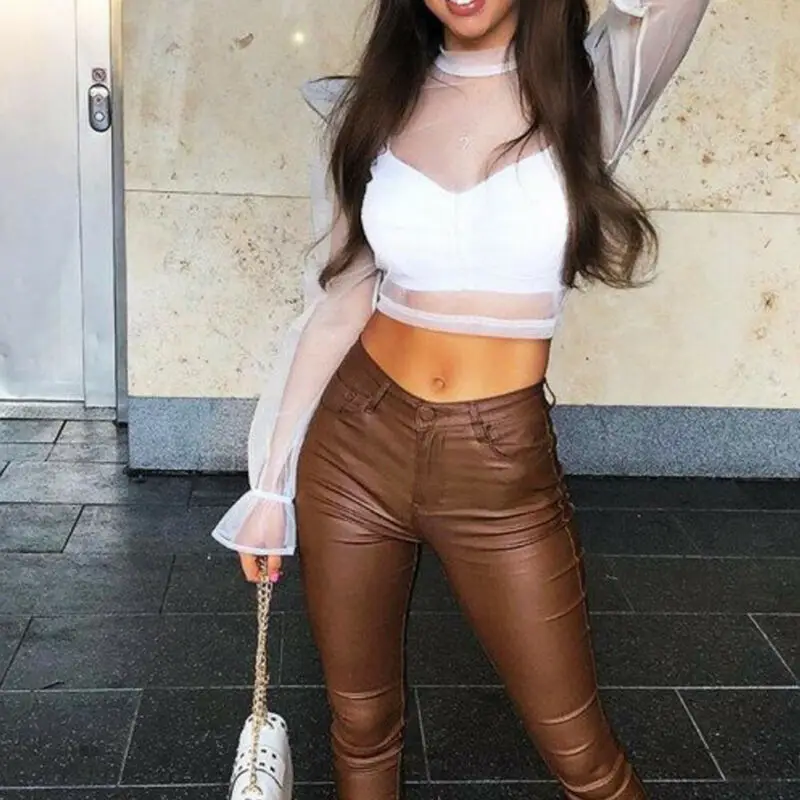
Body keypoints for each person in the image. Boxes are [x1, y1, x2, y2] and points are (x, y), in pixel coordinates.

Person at [212, 0, 710, 797]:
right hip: (355, 444)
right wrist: (270, 484)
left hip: (499, 467)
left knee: (583, 757)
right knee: (361, 729)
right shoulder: (376, 105)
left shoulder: (594, 87)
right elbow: (338, 303)